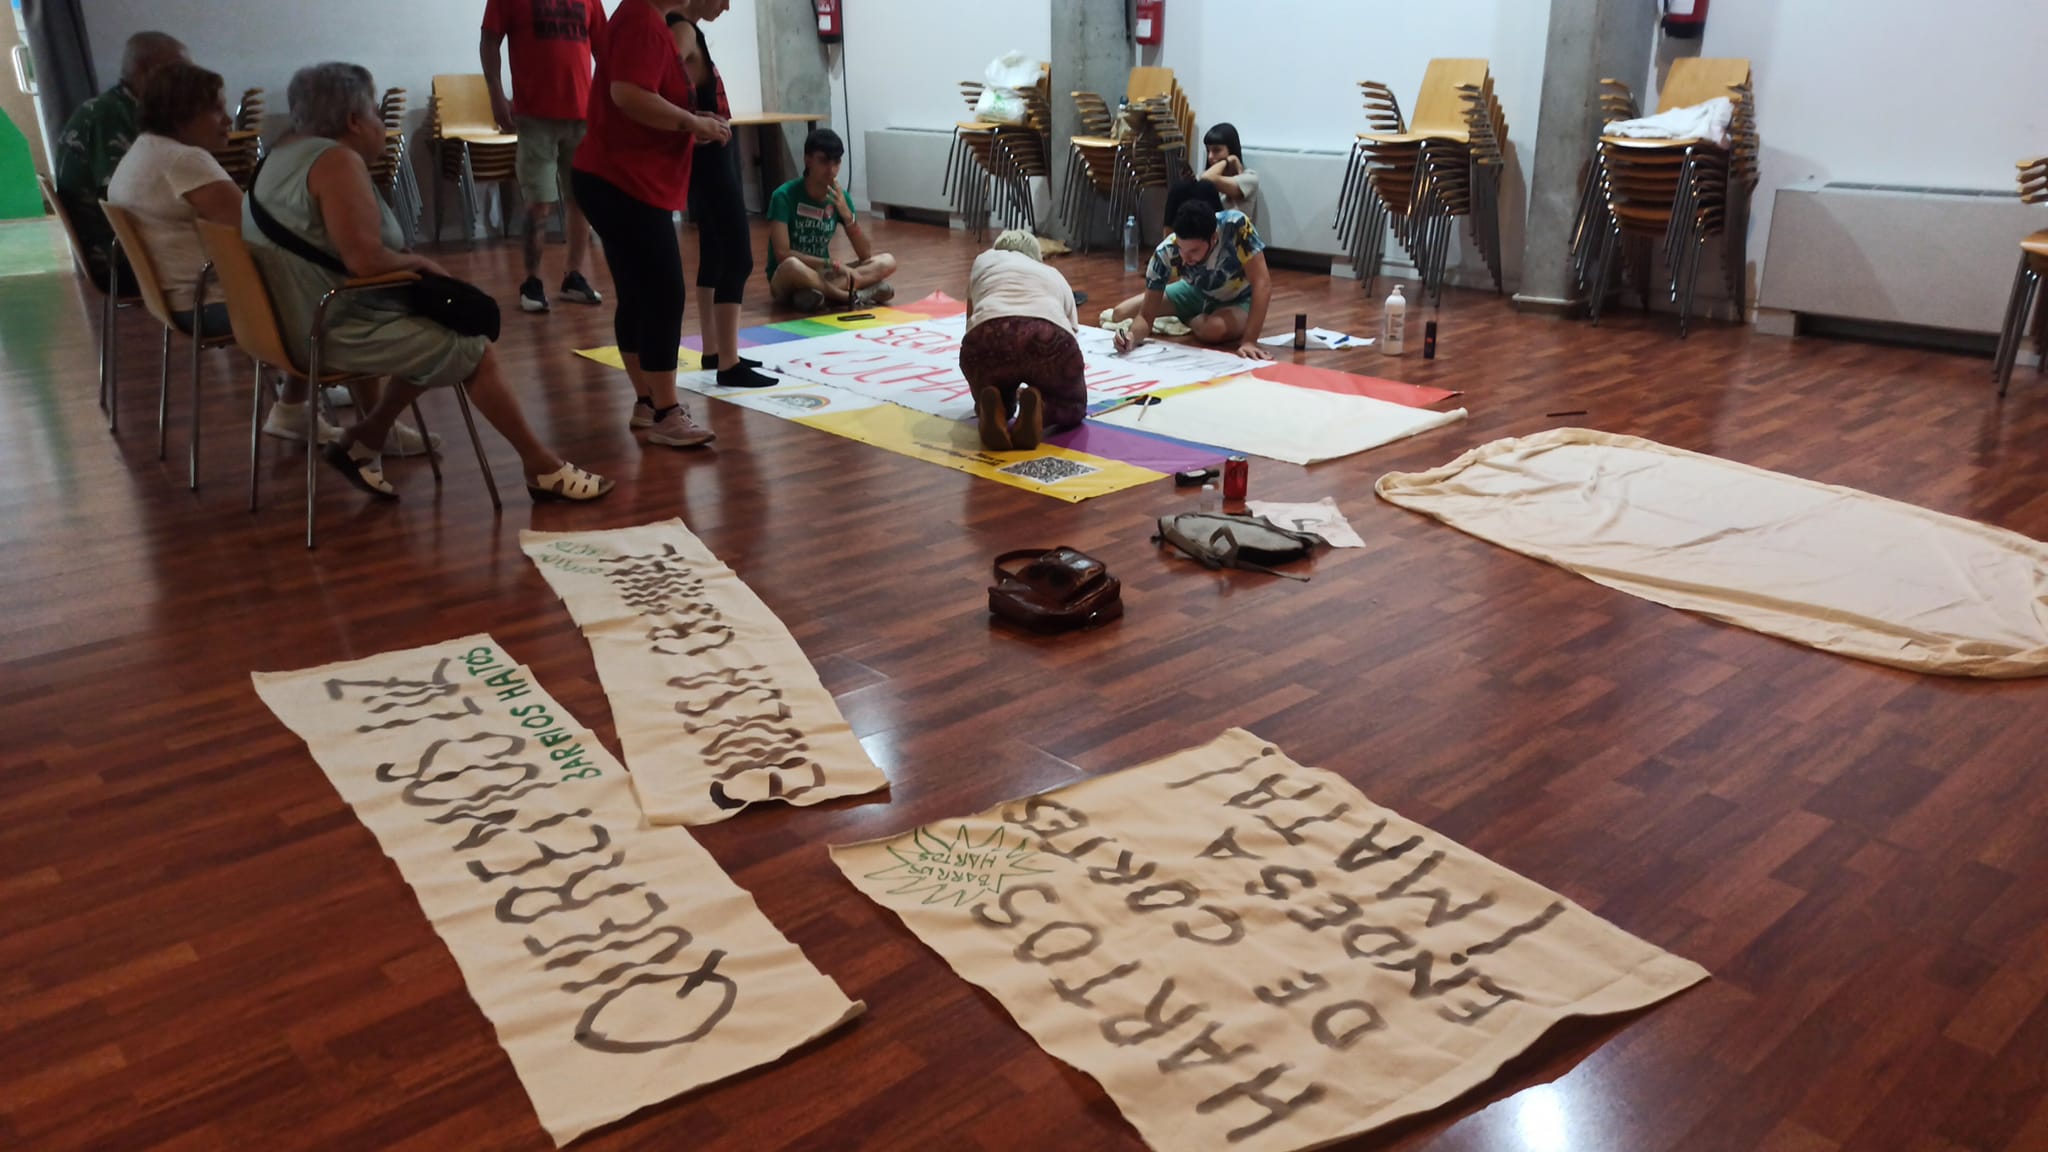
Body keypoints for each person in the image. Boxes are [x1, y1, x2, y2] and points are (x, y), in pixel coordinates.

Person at [246, 63, 610, 502]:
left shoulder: (276, 157)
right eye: (376, 113)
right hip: (332, 327)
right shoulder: (336, 162)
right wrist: (421, 264)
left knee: (444, 326)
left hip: (286, 325)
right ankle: (542, 467)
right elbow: (365, 260)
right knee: (473, 347)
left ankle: (367, 437)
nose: (382, 124)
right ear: (354, 121)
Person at [109, 60, 436, 455]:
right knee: (348, 290)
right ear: (182, 114)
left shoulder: (143, 152)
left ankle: (293, 407)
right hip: (214, 301)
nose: (226, 120)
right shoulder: (185, 162)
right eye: (216, 108)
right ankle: (375, 426)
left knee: (318, 279)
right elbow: (255, 228)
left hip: (178, 299)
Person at [572, 0, 728, 447]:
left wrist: (694, 123)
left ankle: (648, 403)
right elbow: (628, 94)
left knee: (640, 293)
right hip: (623, 182)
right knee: (663, 291)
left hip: (619, 179)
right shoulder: (642, 20)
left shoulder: (646, 19)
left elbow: (645, 99)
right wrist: (690, 121)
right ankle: (665, 411)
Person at [667, 4, 774, 388]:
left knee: (713, 253)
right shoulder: (682, 29)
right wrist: (690, 124)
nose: (727, 5)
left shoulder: (685, 28)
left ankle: (714, 349)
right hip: (709, 157)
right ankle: (728, 364)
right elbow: (662, 81)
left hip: (708, 154)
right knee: (738, 257)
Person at [481, 0, 607, 314]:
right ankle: (532, 282)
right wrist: (495, 94)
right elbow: (489, 41)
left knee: (581, 198)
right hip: (534, 116)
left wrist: (609, 101)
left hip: (582, 115)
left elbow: (604, 50)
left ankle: (573, 277)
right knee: (538, 202)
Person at [53, 31, 188, 293]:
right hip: (118, 257)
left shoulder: (120, 107)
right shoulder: (109, 116)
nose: (188, 80)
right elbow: (130, 197)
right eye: (180, 70)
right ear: (148, 71)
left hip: (121, 248)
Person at [1106, 199, 1275, 361]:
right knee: (1120, 313)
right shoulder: (1166, 252)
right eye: (1181, 248)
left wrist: (1249, 341)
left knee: (1213, 330)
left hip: (1238, 297)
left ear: (1214, 238)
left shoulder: (1236, 226)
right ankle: (1190, 316)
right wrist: (1131, 337)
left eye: (1194, 251)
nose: (1185, 259)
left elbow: (1262, 283)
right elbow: (1145, 317)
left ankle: (1188, 319)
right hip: (1196, 290)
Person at [962, 230, 1085, 452]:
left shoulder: (983, 261)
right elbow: (1071, 334)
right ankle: (1041, 411)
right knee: (1072, 406)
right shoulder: (1054, 274)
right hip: (1045, 333)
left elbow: (970, 321)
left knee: (993, 387)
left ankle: (997, 409)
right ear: (1037, 256)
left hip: (988, 335)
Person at [766, 129, 896, 311]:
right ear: (808, 160)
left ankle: (814, 295)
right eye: (824, 161)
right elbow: (782, 254)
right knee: (792, 265)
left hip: (823, 274)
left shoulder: (840, 198)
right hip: (788, 276)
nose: (831, 169)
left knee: (887, 261)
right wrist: (832, 264)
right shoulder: (783, 196)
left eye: (836, 162)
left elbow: (865, 254)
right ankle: (850, 296)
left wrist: (847, 216)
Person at [1198, 123, 1260, 215]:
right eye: (1208, 151)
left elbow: (1207, 179)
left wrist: (1228, 160)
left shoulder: (1249, 178)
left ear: (1232, 149)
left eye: (1216, 150)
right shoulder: (1205, 175)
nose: (1210, 156)